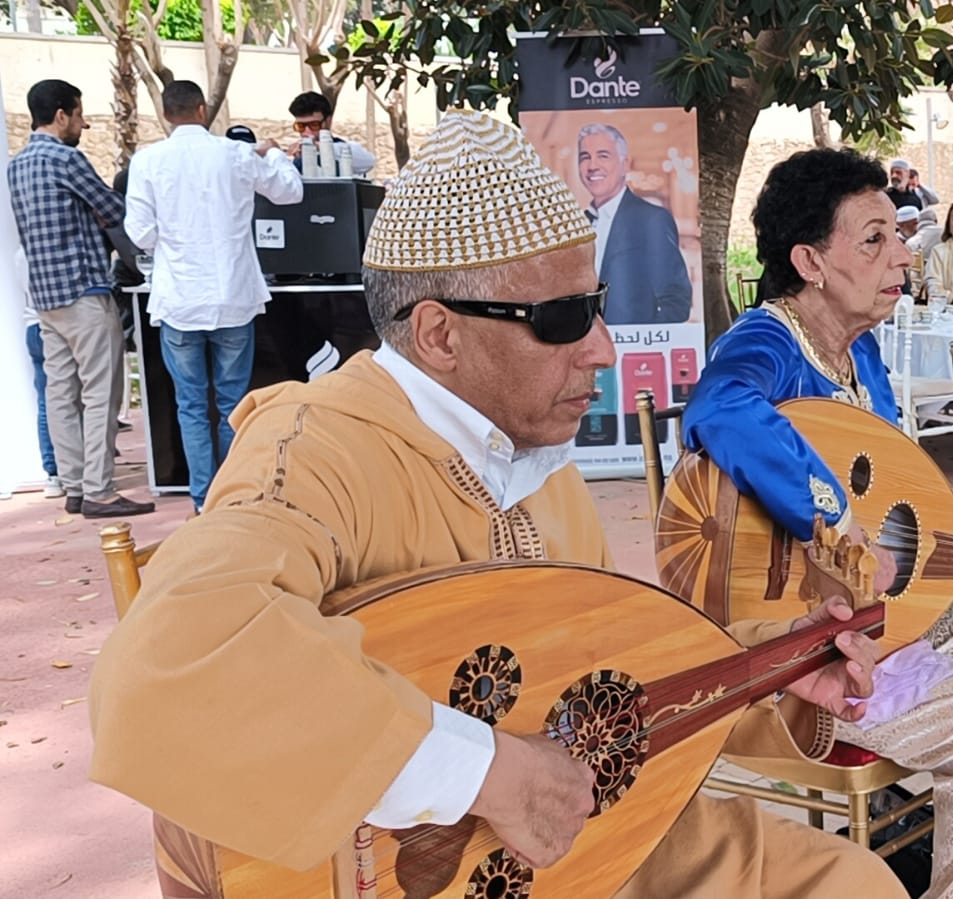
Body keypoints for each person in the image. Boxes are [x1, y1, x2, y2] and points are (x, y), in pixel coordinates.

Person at [87, 110, 908, 899]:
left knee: (847, 882)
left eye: (598, 304)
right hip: (408, 867)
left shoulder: (537, 457)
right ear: (441, 335)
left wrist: (771, 672)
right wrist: (478, 771)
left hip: (607, 839)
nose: (602, 346)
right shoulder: (314, 449)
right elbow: (172, 659)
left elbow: (603, 682)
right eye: (564, 317)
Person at [682, 146, 953, 899]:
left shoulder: (866, 354)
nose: (901, 255)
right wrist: (834, 517)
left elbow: (893, 504)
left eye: (898, 235)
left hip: (894, 616)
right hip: (804, 643)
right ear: (809, 261)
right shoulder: (765, 342)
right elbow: (720, 409)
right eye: (873, 238)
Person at [125, 80, 303, 513]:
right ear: (202, 110)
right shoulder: (236, 154)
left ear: (166, 114)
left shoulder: (147, 161)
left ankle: (203, 500)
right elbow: (291, 192)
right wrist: (273, 152)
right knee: (232, 403)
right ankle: (233, 496)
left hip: (179, 300)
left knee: (190, 404)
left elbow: (140, 234)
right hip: (233, 296)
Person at [7, 78, 153, 519]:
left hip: (45, 295)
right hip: (84, 289)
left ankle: (73, 484)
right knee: (101, 393)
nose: (84, 123)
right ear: (60, 115)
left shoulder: (17, 165)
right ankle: (100, 490)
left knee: (60, 393)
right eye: (79, 114)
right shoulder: (66, 159)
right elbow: (113, 211)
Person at [575, 122, 692, 325]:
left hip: (633, 349)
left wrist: (641, 340)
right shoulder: (576, 225)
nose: (592, 166)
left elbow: (676, 300)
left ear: (625, 164)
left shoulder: (652, 220)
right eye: (585, 157)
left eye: (603, 155)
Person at [18, 249, 62, 497]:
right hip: (53, 325)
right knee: (72, 400)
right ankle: (80, 470)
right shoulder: (51, 248)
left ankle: (53, 473)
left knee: (46, 403)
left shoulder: (19, 254)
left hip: (32, 325)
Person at [286, 91, 376, 177]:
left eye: (314, 125)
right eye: (300, 126)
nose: (307, 132)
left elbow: (368, 162)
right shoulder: (296, 156)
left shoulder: (340, 148)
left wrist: (321, 148)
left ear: (328, 121)